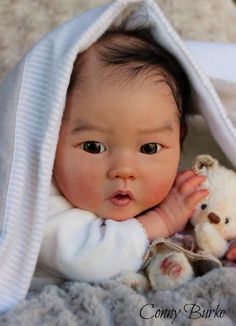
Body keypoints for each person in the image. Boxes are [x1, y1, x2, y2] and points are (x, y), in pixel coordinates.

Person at [37, 27, 209, 282]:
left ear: (179, 138)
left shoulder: (176, 181)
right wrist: (163, 220)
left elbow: (216, 220)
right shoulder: (38, 204)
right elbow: (87, 260)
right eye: (93, 147)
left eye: (149, 148)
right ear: (49, 138)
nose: (124, 169)